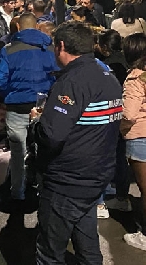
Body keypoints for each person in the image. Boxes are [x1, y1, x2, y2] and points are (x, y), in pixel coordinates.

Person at [32, 22, 123, 264]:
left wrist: (37, 123)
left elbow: (52, 135)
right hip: (97, 175)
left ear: (61, 46)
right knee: (88, 244)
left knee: (49, 252)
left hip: (68, 179)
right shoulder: (107, 76)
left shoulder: (72, 82)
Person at [0, 12, 59, 202]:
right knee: (42, 149)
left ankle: (17, 192)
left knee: (18, 151)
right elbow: (58, 75)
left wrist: (9, 94)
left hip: (17, 106)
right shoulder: (49, 47)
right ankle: (44, 191)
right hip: (43, 106)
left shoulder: (9, 49)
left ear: (19, 27)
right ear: (37, 27)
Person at [119, 33, 146, 251]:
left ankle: (145, 235)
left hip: (140, 136)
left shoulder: (136, 78)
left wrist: (119, 129)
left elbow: (129, 114)